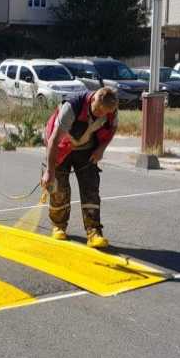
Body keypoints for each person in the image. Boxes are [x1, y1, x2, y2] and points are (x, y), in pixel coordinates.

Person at [41, 88, 119, 249]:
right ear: (92, 100)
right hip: (60, 147)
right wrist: (49, 171)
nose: (99, 114)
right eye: (97, 109)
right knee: (59, 189)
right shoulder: (72, 106)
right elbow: (54, 140)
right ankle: (59, 226)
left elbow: (112, 130)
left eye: (103, 112)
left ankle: (93, 232)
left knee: (91, 188)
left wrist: (101, 149)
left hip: (87, 149)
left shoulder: (111, 110)